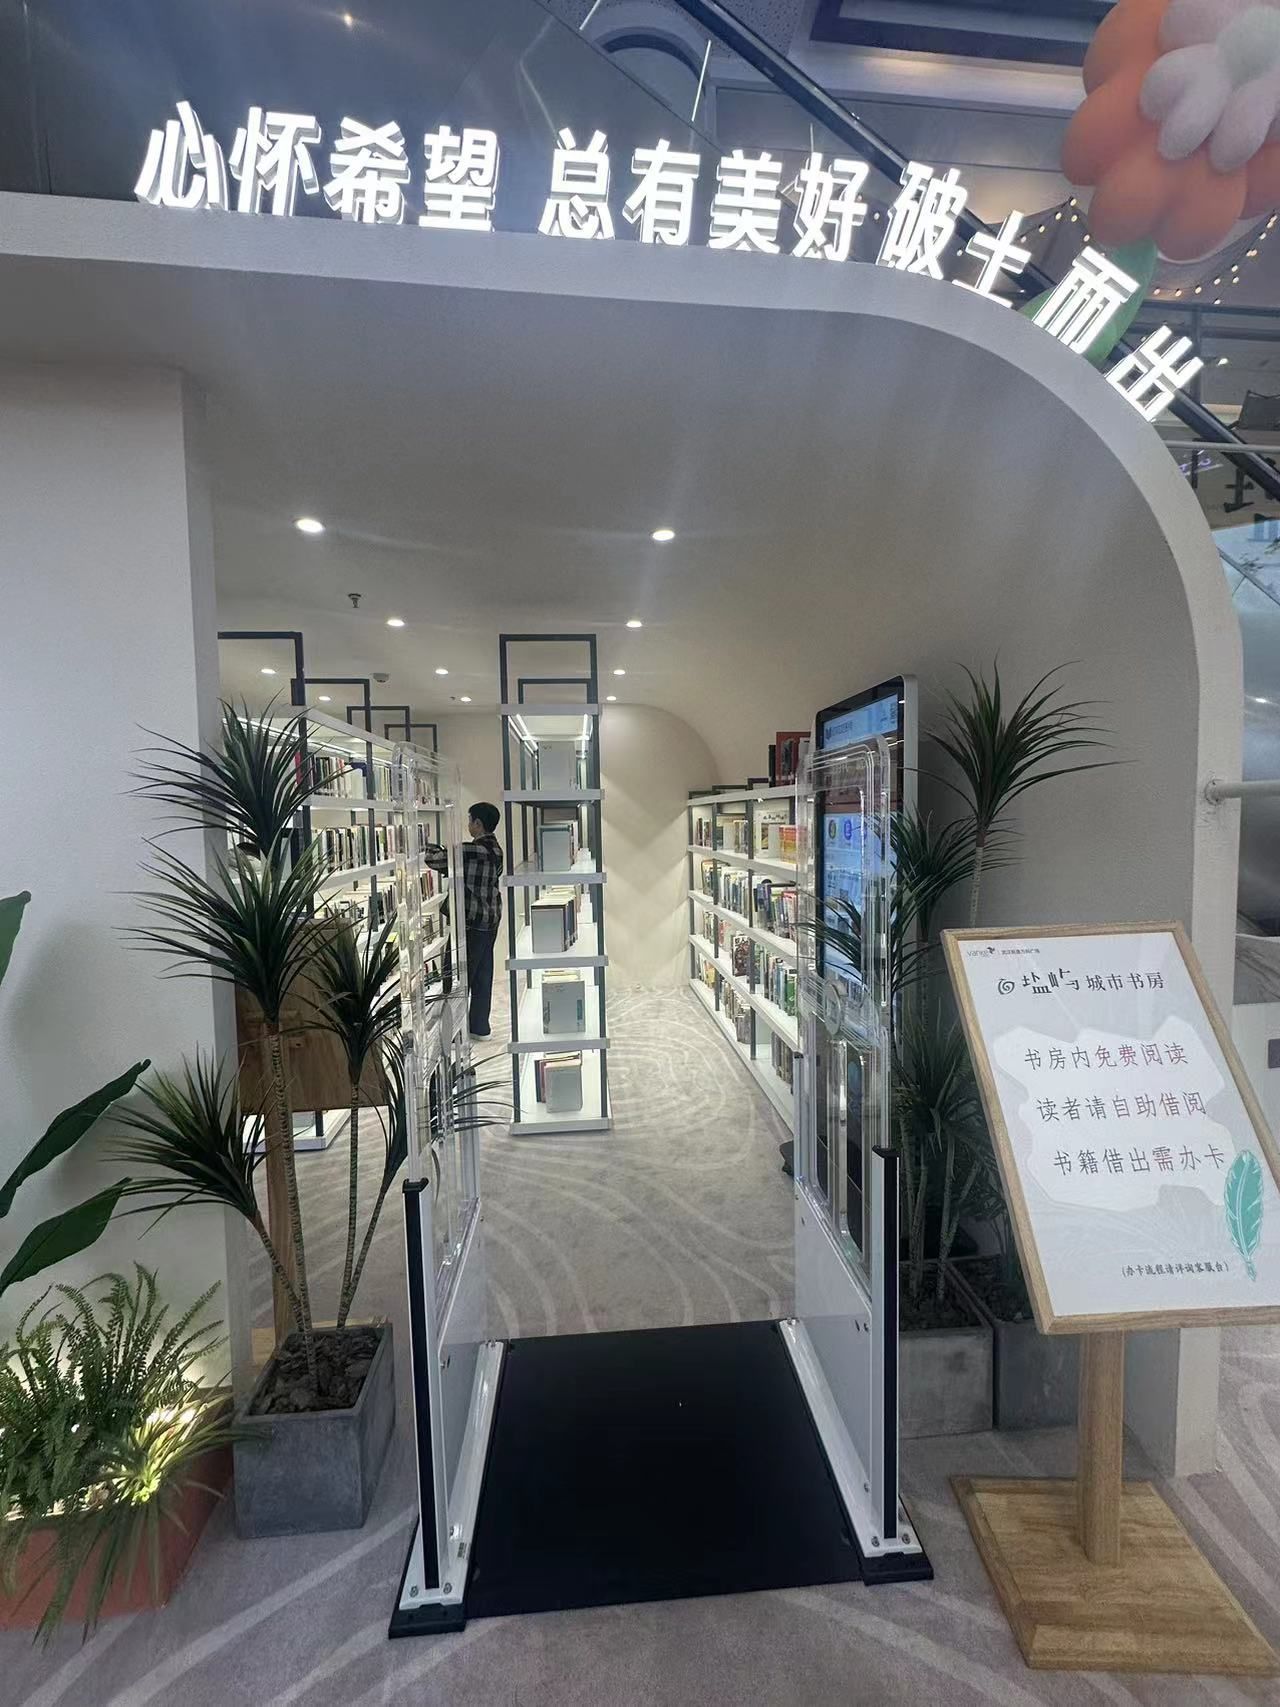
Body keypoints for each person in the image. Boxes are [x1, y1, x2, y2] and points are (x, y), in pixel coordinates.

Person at [427, 802, 504, 1039]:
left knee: (455, 976)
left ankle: (453, 1031)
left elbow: (434, 859)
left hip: (470, 923)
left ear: (478, 823)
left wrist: (428, 843)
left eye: (470, 820)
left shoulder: (469, 851)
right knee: (482, 974)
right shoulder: (497, 850)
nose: (468, 824)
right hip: (491, 920)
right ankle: (479, 1027)